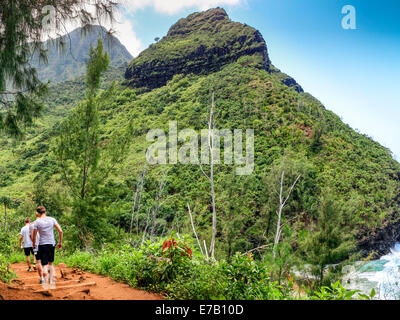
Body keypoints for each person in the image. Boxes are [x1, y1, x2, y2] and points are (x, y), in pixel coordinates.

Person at [32, 206, 63, 286]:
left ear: (38, 213)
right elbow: (60, 231)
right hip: (51, 244)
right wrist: (60, 242)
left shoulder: (37, 222)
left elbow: (34, 236)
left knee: (44, 265)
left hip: (42, 245)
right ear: (45, 212)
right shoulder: (52, 219)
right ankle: (51, 281)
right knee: (51, 264)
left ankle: (45, 279)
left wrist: (34, 244)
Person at [30, 211, 44, 283]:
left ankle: (41, 278)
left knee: (38, 261)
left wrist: (33, 243)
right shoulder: (44, 223)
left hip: (35, 245)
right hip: (44, 244)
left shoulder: (31, 225)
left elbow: (30, 236)